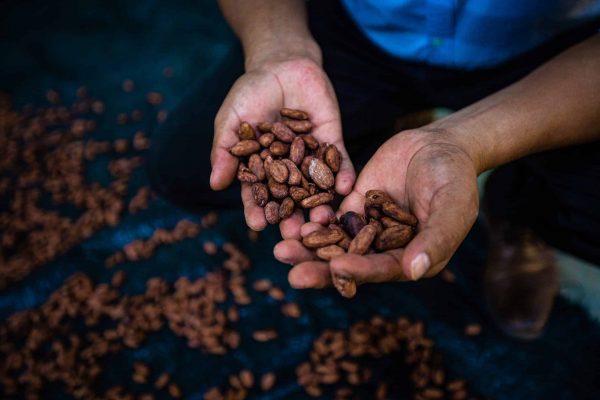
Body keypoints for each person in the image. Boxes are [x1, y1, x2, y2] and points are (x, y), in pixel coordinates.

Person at [147, 0, 600, 339]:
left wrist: (467, 143)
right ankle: (388, 136)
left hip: (549, 57)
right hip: (357, 27)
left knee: (588, 213)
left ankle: (517, 212)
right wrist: (278, 50)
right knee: (184, 167)